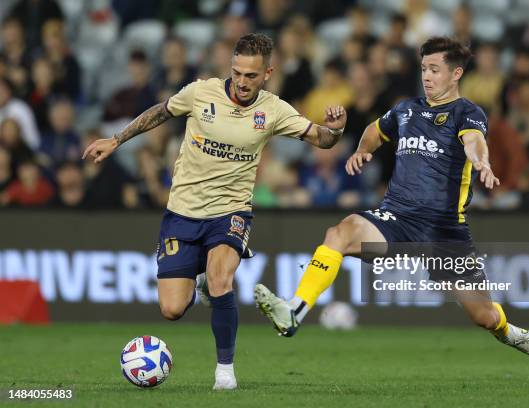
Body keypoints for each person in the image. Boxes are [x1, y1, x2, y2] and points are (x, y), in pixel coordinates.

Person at [82, 33, 347, 390]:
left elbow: (322, 138)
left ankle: (225, 371)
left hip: (231, 212)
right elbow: (160, 112)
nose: (241, 81)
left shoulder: (273, 110)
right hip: (182, 212)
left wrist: (337, 128)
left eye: (251, 76)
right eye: (236, 72)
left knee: (223, 278)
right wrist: (117, 140)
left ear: (267, 73)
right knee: (172, 309)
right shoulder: (200, 92)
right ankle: (200, 283)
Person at [254, 37, 529, 359]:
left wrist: (482, 162)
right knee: (341, 232)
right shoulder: (407, 110)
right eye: (424, 69)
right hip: (398, 218)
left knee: (483, 316)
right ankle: (295, 310)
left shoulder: (467, 112)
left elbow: (474, 140)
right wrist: (363, 150)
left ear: (456, 73)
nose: (427, 76)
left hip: (444, 229)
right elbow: (376, 130)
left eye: (435, 70)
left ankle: (508, 331)